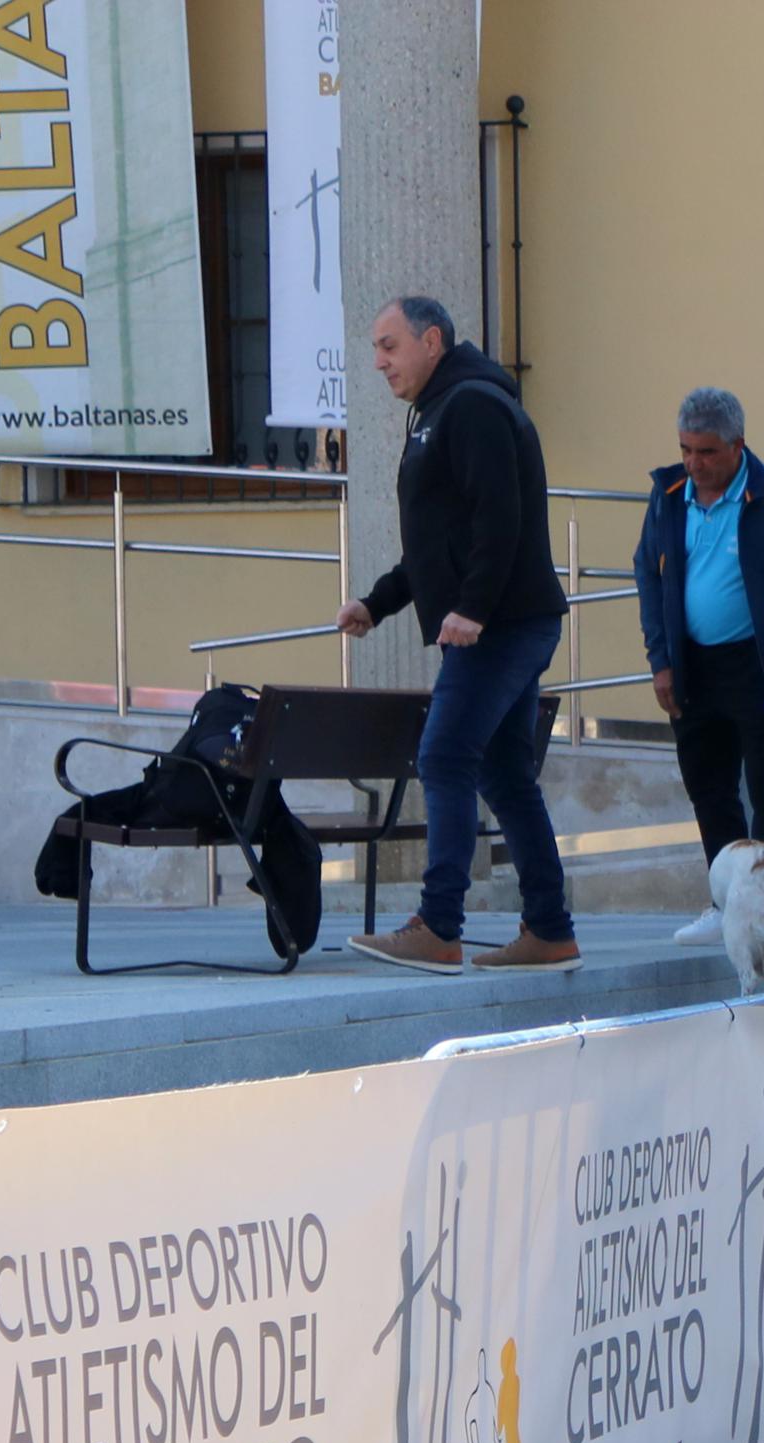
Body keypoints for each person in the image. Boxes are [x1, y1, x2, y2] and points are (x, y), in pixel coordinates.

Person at [336, 296, 577, 974]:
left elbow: (500, 517)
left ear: (431, 340)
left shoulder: (469, 406)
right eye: (375, 348)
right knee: (504, 773)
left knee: (443, 757)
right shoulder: (441, 410)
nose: (379, 361)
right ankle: (550, 931)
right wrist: (378, 603)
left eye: (388, 346)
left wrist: (471, 608)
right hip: (505, 621)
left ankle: (439, 926)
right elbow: (443, 539)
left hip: (497, 625)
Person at [632, 386, 764, 866]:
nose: (693, 463)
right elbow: (647, 573)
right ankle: (726, 902)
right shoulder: (669, 496)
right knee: (709, 789)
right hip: (692, 665)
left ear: (737, 445)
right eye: (685, 449)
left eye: (706, 452)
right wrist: (660, 661)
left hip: (760, 667)